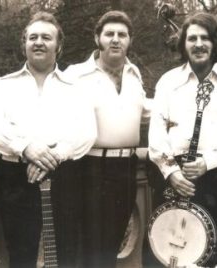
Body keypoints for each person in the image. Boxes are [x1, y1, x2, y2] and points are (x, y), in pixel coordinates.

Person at [0, 11, 97, 268]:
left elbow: (87, 132)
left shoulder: (75, 89)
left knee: (64, 252)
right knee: (20, 254)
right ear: (24, 44)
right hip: (15, 177)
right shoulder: (3, 87)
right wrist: (26, 148)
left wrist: (51, 157)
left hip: (64, 176)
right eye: (32, 37)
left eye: (46, 37)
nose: (39, 42)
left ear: (59, 45)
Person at [147, 11, 217, 268]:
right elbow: (156, 132)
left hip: (216, 175)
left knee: (212, 256)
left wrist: (209, 161)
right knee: (170, 253)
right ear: (183, 44)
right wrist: (170, 170)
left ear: (215, 42)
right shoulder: (168, 81)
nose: (198, 44)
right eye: (192, 38)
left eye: (205, 38)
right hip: (172, 175)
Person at [64, 10, 151, 268]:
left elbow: (143, 111)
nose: (116, 40)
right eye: (109, 34)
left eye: (122, 35)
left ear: (130, 41)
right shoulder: (75, 75)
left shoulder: (134, 74)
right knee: (91, 245)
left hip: (127, 167)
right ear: (97, 38)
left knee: (114, 240)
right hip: (90, 168)